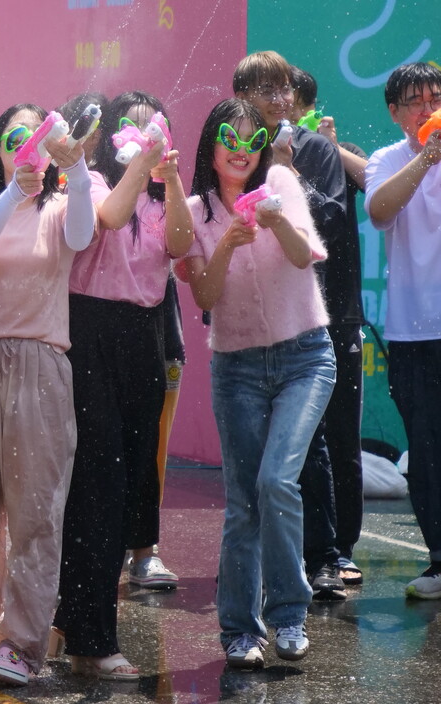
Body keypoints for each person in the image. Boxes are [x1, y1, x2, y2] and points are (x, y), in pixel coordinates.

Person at [0, 102, 94, 688]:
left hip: (40, 363)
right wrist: (12, 193)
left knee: (35, 511)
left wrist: (75, 171)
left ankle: (23, 643)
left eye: (37, 136)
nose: (26, 146)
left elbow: (83, 234)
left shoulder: (59, 208)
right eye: (15, 137)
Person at [177, 97, 334, 668]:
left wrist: (274, 220)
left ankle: (290, 613)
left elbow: (305, 256)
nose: (241, 151)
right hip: (237, 366)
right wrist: (224, 245)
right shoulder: (196, 210)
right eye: (229, 139)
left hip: (305, 357)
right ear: (212, 148)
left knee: (276, 482)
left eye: (251, 141)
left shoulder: (281, 183)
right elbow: (205, 298)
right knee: (243, 502)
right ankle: (240, 630)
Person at [52, 91, 193, 680]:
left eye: (151, 125)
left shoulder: (159, 196)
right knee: (97, 484)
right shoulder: (85, 186)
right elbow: (105, 221)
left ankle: (74, 620)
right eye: (130, 126)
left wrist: (172, 177)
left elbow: (181, 248)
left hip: (144, 336)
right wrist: (142, 163)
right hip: (89, 334)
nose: (142, 134)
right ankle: (89, 639)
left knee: (130, 481)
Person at [232, 51, 349, 600]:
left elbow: (330, 220)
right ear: (242, 98)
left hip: (301, 318)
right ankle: (255, 567)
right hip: (246, 323)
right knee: (255, 462)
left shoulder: (315, 148)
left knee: (310, 447)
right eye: (265, 90)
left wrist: (287, 170)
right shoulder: (233, 149)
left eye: (283, 89)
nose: (279, 99)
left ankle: (322, 557)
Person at [364, 61, 441, 600]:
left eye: (436, 97)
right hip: (414, 332)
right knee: (428, 449)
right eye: (416, 100)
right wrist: (427, 156)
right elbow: (379, 210)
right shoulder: (386, 160)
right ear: (395, 112)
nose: (427, 107)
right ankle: (437, 560)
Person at [291, 66, 367, 588]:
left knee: (340, 434)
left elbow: (368, 187)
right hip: (289, 317)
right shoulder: (253, 154)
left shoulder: (331, 153)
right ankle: (302, 547)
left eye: (291, 99)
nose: (282, 109)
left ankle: (341, 548)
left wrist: (330, 148)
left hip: (338, 313)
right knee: (302, 440)